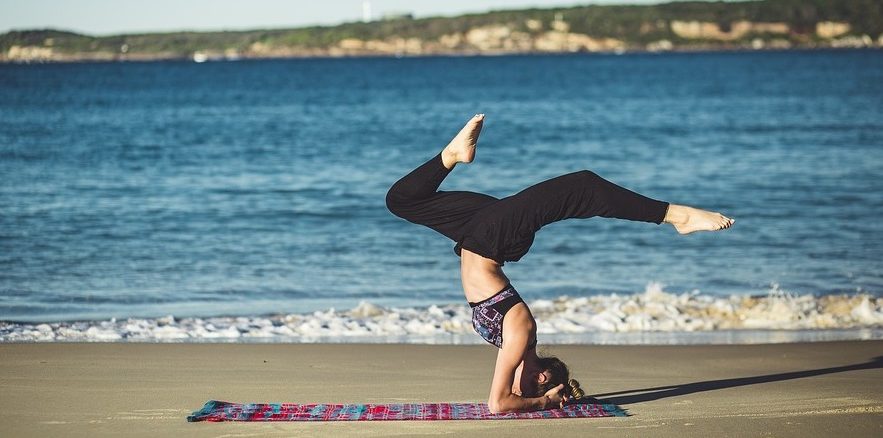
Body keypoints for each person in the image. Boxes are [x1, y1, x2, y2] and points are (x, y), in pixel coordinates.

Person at [385, 114, 733, 413]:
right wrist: (545, 402)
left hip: (476, 233)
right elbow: (499, 403)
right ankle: (677, 216)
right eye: (524, 387)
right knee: (584, 185)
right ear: (541, 376)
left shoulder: (513, 345)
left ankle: (452, 155)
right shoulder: (521, 333)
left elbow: (501, 400)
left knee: (401, 200)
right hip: (493, 238)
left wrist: (549, 398)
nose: (513, 385)